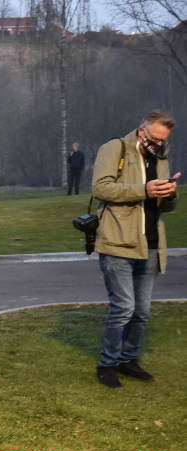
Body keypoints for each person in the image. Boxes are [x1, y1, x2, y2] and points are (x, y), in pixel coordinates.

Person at [92, 109, 180, 388]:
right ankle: (107, 363)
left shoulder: (161, 156)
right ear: (142, 130)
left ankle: (128, 359)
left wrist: (169, 194)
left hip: (151, 244)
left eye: (163, 139)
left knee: (141, 311)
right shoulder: (114, 148)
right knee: (123, 308)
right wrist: (144, 189)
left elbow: (165, 205)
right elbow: (101, 188)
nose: (158, 143)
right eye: (154, 138)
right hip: (118, 241)